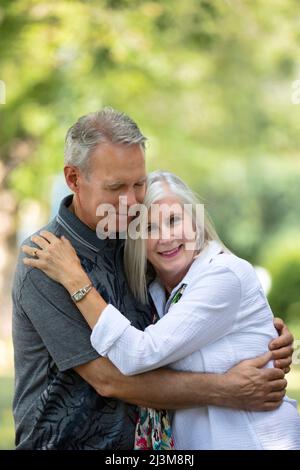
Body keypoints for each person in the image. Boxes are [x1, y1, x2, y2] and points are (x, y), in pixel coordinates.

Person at [16, 108, 293, 450]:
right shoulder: (46, 260)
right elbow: (109, 378)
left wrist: (263, 333)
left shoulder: (136, 242)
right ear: (73, 179)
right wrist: (228, 389)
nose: (133, 201)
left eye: (139, 184)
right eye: (116, 187)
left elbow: (188, 305)